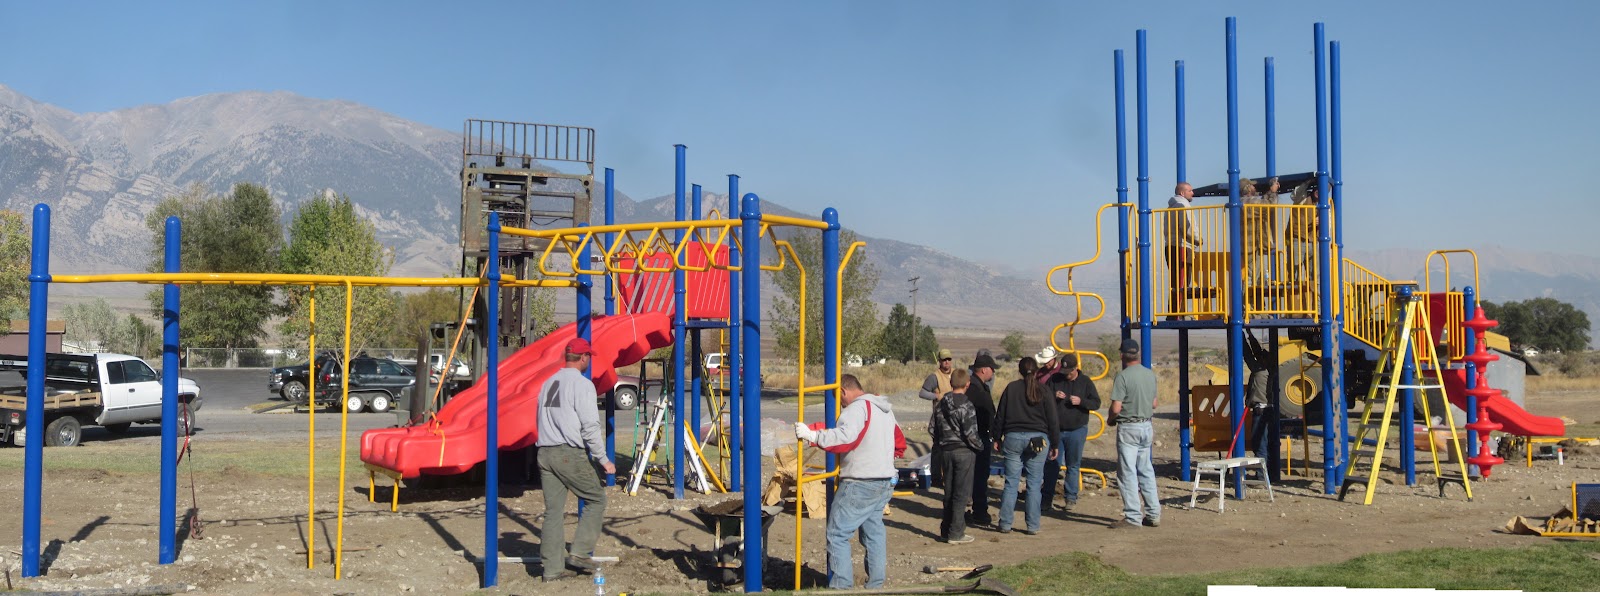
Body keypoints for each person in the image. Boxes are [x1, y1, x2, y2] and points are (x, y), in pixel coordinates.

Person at [794, 374, 899, 589]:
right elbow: (900, 442)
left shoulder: (856, 409)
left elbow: (845, 439)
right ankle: (876, 585)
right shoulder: (884, 409)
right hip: (884, 480)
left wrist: (813, 436)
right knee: (874, 533)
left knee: (837, 533)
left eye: (838, 399)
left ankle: (841, 587)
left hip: (860, 481)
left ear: (843, 391)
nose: (840, 405)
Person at [535, 338, 617, 582]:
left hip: (545, 452)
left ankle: (551, 570)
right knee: (596, 498)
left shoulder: (549, 383)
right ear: (584, 357)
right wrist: (603, 459)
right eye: (589, 357)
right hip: (567, 453)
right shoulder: (582, 385)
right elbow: (590, 426)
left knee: (553, 512)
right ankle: (580, 553)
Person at [993, 357, 1060, 534]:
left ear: (1019, 370)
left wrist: (997, 437)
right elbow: (1053, 419)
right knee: (1034, 484)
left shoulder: (1011, 388)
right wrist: (1055, 443)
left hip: (1013, 438)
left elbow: (1000, 415)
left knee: (1011, 483)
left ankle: (1005, 524)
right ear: (1037, 371)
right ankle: (1033, 525)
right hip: (1038, 440)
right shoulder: (1044, 390)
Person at [1040, 353, 1102, 512]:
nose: (1066, 375)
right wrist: (1053, 396)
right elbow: (1042, 396)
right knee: (1052, 464)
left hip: (1077, 430)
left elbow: (1096, 403)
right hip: (1056, 430)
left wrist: (1082, 402)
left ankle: (1070, 499)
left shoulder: (1085, 382)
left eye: (1069, 372)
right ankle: (1046, 499)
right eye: (1064, 372)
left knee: (1073, 465)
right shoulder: (1055, 379)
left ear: (1076, 369)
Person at [1109, 338, 1160, 529]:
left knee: (1127, 473)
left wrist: (1110, 419)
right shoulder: (1149, 374)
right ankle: (1153, 514)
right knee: (1146, 470)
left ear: (1122, 355)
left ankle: (1132, 517)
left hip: (1128, 427)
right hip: (1146, 426)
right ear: (1137, 354)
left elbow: (1116, 407)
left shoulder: (1122, 377)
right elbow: (1154, 404)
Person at [931, 368, 982, 543]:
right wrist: (980, 447)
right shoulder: (966, 405)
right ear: (967, 384)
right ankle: (956, 533)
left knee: (949, 491)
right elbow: (970, 433)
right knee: (961, 493)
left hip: (946, 451)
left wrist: (941, 443)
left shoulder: (940, 404)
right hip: (963, 451)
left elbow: (932, 428)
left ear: (951, 383)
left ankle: (945, 530)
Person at [964, 351, 1000, 528]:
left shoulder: (974, 387)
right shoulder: (976, 389)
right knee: (979, 476)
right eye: (992, 369)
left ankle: (970, 510)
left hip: (974, 437)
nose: (993, 372)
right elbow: (985, 415)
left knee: (972, 476)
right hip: (978, 437)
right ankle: (979, 511)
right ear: (984, 370)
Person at [1163, 182, 1204, 317]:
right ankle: (1177, 313)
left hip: (1171, 245)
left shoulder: (1171, 206)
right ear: (1182, 193)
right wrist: (1198, 239)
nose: (1193, 193)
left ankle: (1176, 312)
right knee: (1182, 281)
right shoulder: (1183, 205)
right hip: (1182, 246)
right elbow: (1187, 227)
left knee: (1176, 280)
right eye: (1190, 191)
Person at [919, 348, 956, 489]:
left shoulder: (956, 374)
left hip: (955, 418)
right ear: (939, 361)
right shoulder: (934, 377)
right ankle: (936, 478)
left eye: (949, 359)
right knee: (938, 450)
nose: (947, 362)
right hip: (940, 419)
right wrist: (936, 396)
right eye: (944, 360)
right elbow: (922, 393)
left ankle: (949, 478)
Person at [1244, 332, 1274, 458]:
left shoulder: (1259, 371)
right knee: (1266, 442)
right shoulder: (1270, 370)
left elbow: (1248, 354)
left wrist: (1240, 335)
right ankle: (1268, 468)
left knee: (1259, 443)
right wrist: (1250, 335)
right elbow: (1257, 352)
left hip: (1260, 411)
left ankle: (1262, 469)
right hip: (1269, 410)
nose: (1258, 357)